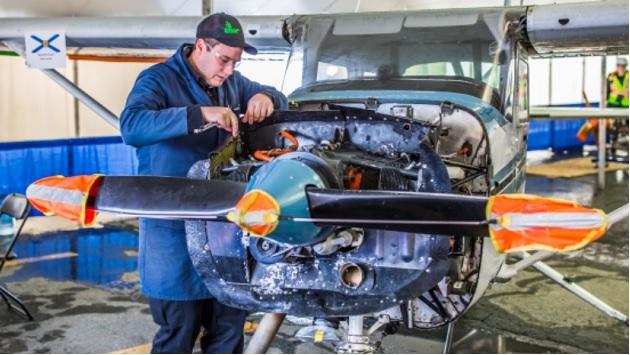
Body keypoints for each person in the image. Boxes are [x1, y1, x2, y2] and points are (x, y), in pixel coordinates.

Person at [119, 13, 288, 354]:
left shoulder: (233, 83)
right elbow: (132, 126)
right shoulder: (158, 80)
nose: (228, 70)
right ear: (201, 46)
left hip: (225, 231)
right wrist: (200, 114)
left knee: (228, 334)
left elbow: (278, 98)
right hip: (174, 231)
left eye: (235, 62)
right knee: (177, 334)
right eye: (224, 60)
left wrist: (267, 97)